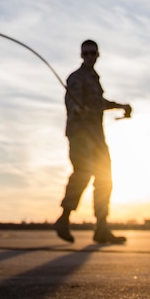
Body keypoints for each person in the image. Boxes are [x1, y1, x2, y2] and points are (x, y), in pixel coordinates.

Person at [54, 39, 131, 244]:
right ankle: (64, 219)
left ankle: (102, 228)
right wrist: (78, 110)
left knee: (105, 178)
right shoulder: (76, 78)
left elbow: (98, 103)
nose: (89, 56)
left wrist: (120, 106)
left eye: (93, 53)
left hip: (97, 136)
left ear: (97, 55)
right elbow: (72, 102)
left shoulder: (94, 79)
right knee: (83, 172)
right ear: (81, 55)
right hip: (80, 134)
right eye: (86, 53)